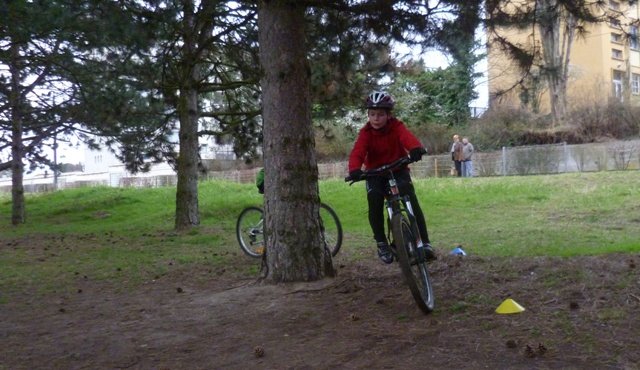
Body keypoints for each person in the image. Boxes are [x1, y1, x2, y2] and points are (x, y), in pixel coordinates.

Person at [348, 91, 436, 264]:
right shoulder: (366, 133)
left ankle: (425, 243)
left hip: (398, 169)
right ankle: (381, 243)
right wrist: (355, 169)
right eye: (372, 114)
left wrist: (415, 149)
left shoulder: (396, 126)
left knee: (411, 200)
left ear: (389, 115)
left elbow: (407, 137)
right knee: (374, 202)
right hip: (375, 173)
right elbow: (358, 151)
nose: (376, 119)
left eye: (380, 114)